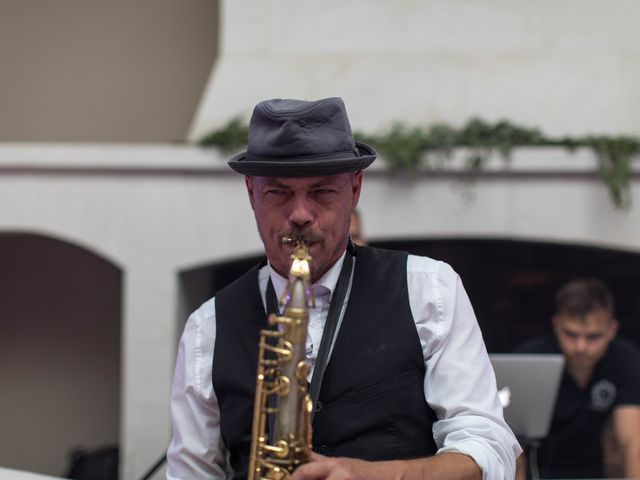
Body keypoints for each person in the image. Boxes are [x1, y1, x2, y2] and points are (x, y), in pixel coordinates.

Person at [166, 97, 521, 480]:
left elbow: (488, 448)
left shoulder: (430, 289)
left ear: (355, 188)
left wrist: (376, 477)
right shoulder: (207, 327)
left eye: (321, 192)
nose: (300, 215)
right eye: (279, 193)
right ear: (251, 192)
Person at [515, 278, 640, 479]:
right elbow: (514, 446)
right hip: (538, 473)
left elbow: (632, 444)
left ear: (611, 330)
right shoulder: (529, 359)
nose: (581, 347)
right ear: (556, 325)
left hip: (592, 474)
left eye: (593, 337)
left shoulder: (625, 359)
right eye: (571, 334)